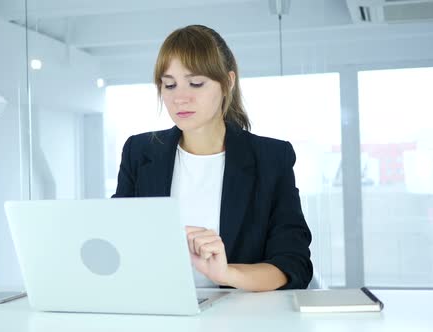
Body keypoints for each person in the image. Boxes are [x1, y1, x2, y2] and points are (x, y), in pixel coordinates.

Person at [112, 25, 312, 291]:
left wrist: (226, 273)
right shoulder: (139, 151)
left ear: (228, 82)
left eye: (196, 83)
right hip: (159, 312)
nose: (180, 98)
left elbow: (293, 264)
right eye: (169, 85)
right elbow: (118, 240)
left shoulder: (272, 158)